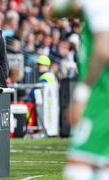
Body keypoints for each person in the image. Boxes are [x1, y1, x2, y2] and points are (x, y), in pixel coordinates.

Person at [51, 0, 109, 179]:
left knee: (78, 165)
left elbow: (103, 48)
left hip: (100, 97)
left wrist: (81, 94)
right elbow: (53, 11)